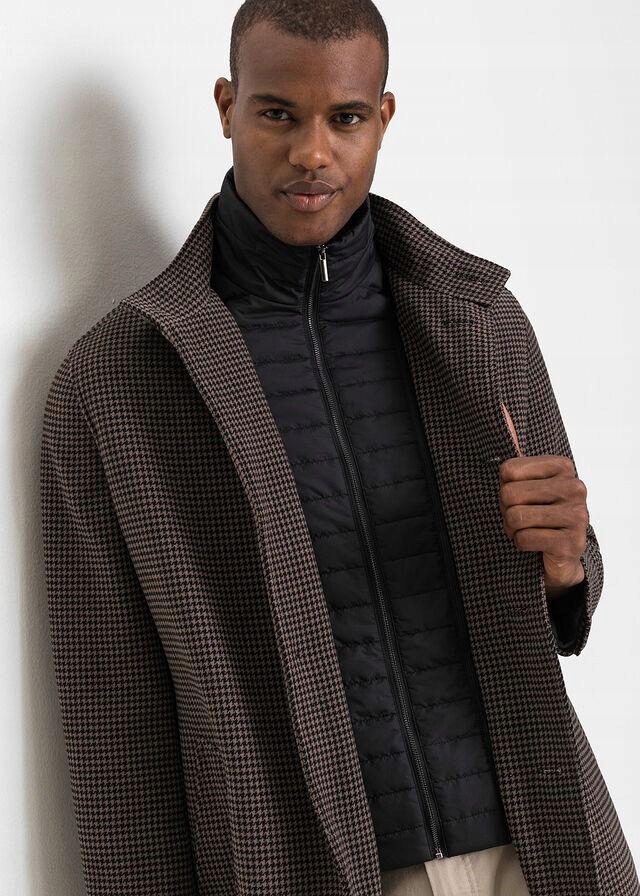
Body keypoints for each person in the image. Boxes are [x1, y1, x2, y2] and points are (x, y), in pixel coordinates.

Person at [40, 1, 639, 895]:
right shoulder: (119, 385)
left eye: (346, 118)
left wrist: (567, 563)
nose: (312, 153)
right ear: (227, 107)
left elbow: (564, 581)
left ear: (383, 118)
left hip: (537, 844)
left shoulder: (478, 323)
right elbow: (112, 724)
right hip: (306, 864)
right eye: (278, 113)